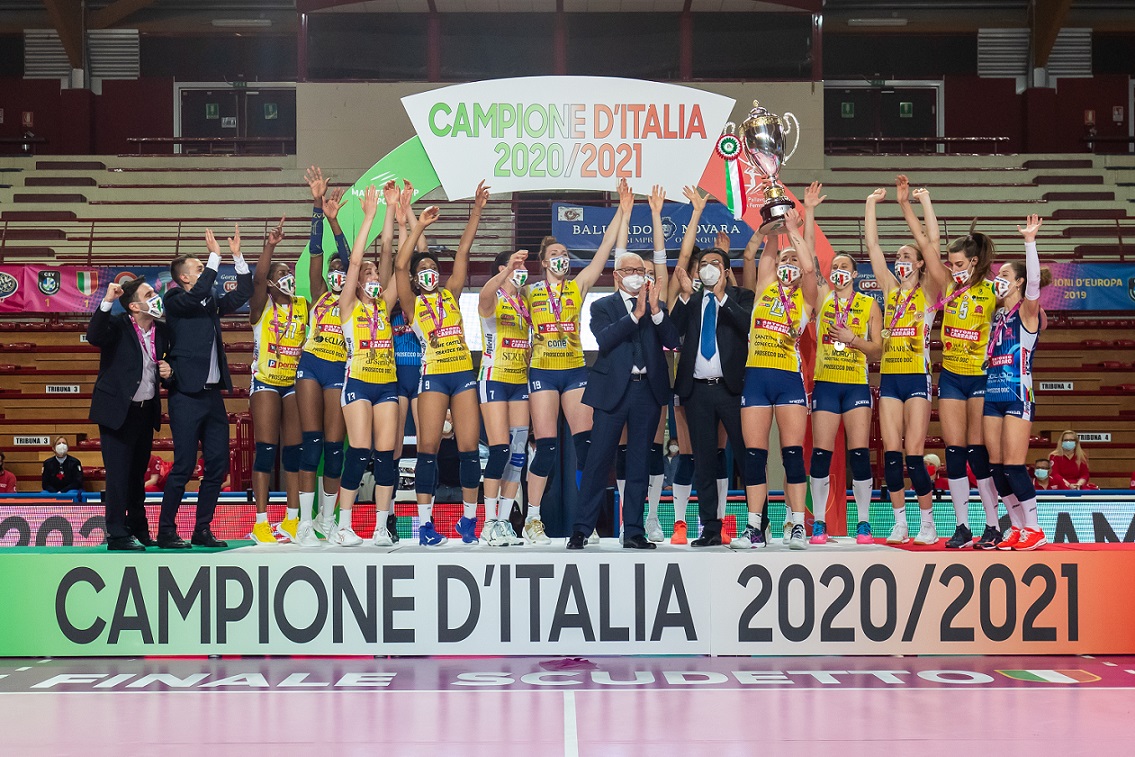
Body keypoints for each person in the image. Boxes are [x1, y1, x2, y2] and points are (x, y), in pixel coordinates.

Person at [524, 181, 626, 544]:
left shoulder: (577, 286)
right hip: (542, 372)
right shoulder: (529, 291)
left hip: (574, 370)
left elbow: (603, 251)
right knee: (546, 448)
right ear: (543, 261)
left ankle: (587, 522)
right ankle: (532, 519)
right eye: (555, 253)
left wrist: (621, 210)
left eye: (565, 253)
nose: (561, 257)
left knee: (586, 447)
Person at [905, 182, 1002, 551]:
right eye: (951, 263)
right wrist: (918, 201)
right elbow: (925, 242)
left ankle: (993, 525)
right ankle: (962, 527)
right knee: (954, 451)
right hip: (951, 377)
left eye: (959, 263)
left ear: (974, 262)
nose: (953, 268)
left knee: (978, 452)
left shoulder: (992, 292)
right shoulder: (948, 284)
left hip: (980, 377)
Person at [568, 253, 679, 549]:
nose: (636, 274)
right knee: (598, 460)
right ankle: (581, 529)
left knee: (639, 462)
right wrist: (635, 315)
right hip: (612, 392)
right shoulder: (602, 306)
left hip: (647, 391)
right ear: (617, 275)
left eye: (640, 270)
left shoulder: (657, 306)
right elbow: (604, 339)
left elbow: (673, 340)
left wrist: (654, 311)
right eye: (629, 270)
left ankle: (633, 531)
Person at [395, 185, 486, 546]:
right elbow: (400, 265)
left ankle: (469, 521)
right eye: (424, 269)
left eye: (434, 267)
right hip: (432, 375)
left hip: (463, 374)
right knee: (427, 450)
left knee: (469, 450)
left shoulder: (451, 294)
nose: (430, 271)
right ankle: (425, 526)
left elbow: (463, 251)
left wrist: (476, 210)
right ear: (416, 279)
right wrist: (418, 226)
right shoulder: (412, 304)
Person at [159, 225, 253, 549]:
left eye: (205, 266)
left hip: (212, 395)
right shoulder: (174, 299)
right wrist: (214, 257)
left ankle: (202, 528)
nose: (205, 271)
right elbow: (197, 294)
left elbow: (242, 295)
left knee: (218, 465)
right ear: (184, 277)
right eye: (198, 268)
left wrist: (237, 258)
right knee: (184, 466)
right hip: (185, 394)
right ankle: (166, 530)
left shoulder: (208, 300)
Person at [800, 182, 882, 546]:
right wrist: (809, 212)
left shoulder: (868, 304)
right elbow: (807, 258)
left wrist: (853, 340)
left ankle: (863, 523)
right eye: (834, 267)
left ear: (855, 273)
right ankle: (819, 522)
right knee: (821, 453)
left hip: (856, 385)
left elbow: (878, 351)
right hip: (826, 384)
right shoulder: (822, 297)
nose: (838, 271)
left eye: (844, 266)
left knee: (859, 454)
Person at [865, 186, 947, 546]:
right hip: (890, 378)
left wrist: (920, 201)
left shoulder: (928, 292)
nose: (900, 259)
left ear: (919, 263)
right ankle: (900, 522)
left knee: (914, 455)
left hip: (916, 378)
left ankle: (927, 523)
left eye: (907, 255)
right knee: (891, 456)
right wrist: (870, 204)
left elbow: (933, 245)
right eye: (898, 255)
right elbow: (872, 247)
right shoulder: (889, 289)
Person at [735, 208, 818, 550]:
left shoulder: (806, 297)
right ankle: (755, 527)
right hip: (756, 377)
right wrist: (773, 227)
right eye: (785, 259)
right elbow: (767, 252)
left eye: (793, 259)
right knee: (754, 456)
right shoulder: (765, 287)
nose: (788, 263)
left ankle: (797, 524)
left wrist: (794, 228)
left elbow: (810, 268)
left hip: (788, 380)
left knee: (793, 454)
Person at [328, 183, 404, 547]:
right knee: (358, 453)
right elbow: (356, 261)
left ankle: (380, 527)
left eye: (376, 276)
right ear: (357, 282)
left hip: (387, 385)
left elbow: (396, 259)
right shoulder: (348, 305)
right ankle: (343, 526)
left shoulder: (384, 306)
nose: (374, 279)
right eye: (368, 276)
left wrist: (395, 214)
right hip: (357, 382)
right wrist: (369, 216)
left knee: (386, 458)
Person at [671, 244, 754, 547]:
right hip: (697, 391)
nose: (708, 268)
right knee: (704, 461)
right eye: (703, 263)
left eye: (715, 263)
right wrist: (684, 296)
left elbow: (748, 326)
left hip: (732, 389)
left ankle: (757, 523)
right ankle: (710, 527)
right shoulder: (691, 301)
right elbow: (672, 333)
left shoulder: (741, 297)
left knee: (747, 457)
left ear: (726, 271)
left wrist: (721, 298)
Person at [86, 278, 172, 550]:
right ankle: (116, 533)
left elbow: (166, 367)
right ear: (134, 306)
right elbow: (94, 336)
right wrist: (107, 301)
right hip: (117, 412)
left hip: (145, 412)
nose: (156, 296)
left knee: (137, 475)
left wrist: (170, 372)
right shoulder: (118, 325)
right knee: (118, 475)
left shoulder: (162, 330)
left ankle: (138, 528)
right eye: (149, 294)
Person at [984, 214, 1050, 551]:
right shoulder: (997, 316)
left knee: (1012, 465)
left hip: (1017, 395)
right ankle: (1017, 526)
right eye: (998, 275)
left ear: (1019, 282)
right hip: (992, 395)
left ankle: (1035, 528)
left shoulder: (1027, 312)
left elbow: (1035, 284)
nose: (999, 280)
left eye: (1005, 276)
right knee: (996, 467)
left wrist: (1029, 242)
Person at [295, 167, 351, 544]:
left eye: (342, 270)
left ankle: (326, 521)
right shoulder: (319, 293)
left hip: (340, 369)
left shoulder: (353, 299)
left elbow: (349, 257)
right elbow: (316, 252)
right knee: (311, 443)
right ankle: (303, 521)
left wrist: (335, 222)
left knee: (334, 449)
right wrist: (317, 205)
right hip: (312, 366)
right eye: (333, 270)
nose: (337, 273)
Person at [246, 216, 307, 545]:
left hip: (293, 383)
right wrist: (269, 246)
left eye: (289, 272)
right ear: (271, 282)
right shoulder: (261, 305)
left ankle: (292, 520)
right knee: (266, 451)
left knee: (294, 452)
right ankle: (260, 522)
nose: (288, 277)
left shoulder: (303, 306)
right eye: (281, 273)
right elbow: (256, 280)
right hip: (266, 382)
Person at [477, 248, 531, 546]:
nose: (521, 270)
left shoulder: (524, 302)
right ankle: (488, 523)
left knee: (518, 453)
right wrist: (509, 269)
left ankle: (505, 521)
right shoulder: (494, 297)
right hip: (494, 378)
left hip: (519, 381)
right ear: (503, 268)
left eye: (523, 266)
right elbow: (484, 295)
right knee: (499, 450)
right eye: (515, 265)